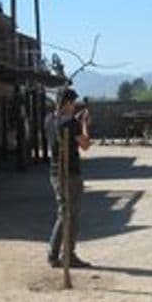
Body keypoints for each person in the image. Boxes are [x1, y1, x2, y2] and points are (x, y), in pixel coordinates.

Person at [48, 88, 93, 268]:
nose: (74, 107)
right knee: (69, 215)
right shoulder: (70, 123)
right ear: (67, 103)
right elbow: (85, 145)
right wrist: (84, 124)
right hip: (69, 173)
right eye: (73, 103)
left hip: (55, 173)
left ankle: (57, 253)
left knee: (64, 213)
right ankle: (66, 254)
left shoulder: (49, 120)